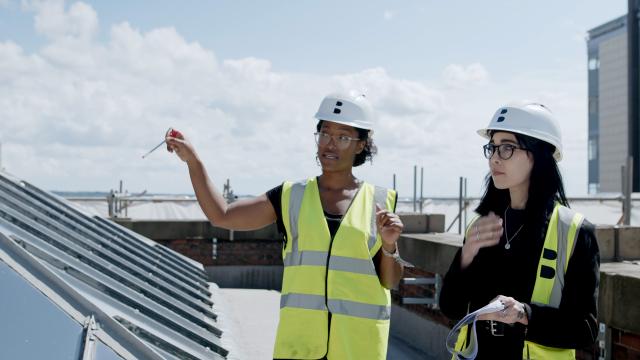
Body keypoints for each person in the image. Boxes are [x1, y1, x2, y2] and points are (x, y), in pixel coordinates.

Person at [166, 92, 408, 360]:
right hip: (300, 347)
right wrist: (193, 161)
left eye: (343, 137)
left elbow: (391, 280)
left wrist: (389, 244)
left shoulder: (381, 201)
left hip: (357, 349)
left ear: (361, 145)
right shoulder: (291, 196)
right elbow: (222, 215)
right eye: (325, 133)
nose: (330, 144)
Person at [439, 101, 600, 359]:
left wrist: (525, 314)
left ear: (538, 155)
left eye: (507, 148)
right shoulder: (482, 225)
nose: (494, 158)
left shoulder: (574, 231)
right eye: (492, 147)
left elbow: (585, 329)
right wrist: (464, 259)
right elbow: (450, 307)